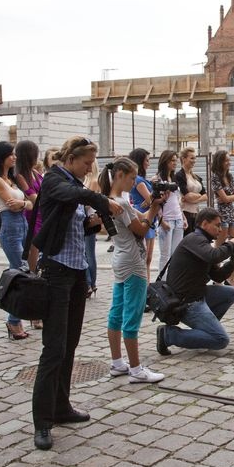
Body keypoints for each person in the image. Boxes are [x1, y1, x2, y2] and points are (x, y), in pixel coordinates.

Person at [30, 136, 122, 450]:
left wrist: (92, 221)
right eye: (86, 163)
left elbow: (73, 225)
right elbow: (72, 194)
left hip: (76, 271)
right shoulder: (54, 179)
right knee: (53, 348)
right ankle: (42, 422)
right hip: (56, 272)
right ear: (71, 159)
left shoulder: (74, 185)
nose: (88, 169)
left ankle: (61, 406)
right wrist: (99, 200)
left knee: (69, 344)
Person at [99, 157, 166, 383]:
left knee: (116, 311)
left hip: (120, 258)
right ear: (119, 175)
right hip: (133, 262)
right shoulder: (122, 202)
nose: (134, 182)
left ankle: (118, 362)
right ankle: (136, 369)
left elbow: (140, 216)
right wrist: (154, 209)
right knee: (132, 315)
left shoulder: (113, 200)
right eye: (131, 178)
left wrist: (152, 207)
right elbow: (140, 229)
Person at [156, 208, 234, 355]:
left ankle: (203, 332)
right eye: (217, 225)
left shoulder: (203, 244)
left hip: (197, 295)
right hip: (186, 303)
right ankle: (168, 335)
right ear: (204, 224)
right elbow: (214, 256)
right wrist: (231, 245)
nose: (220, 230)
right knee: (221, 340)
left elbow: (217, 277)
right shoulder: (194, 239)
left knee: (230, 292)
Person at [0, 141, 32, 340]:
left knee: (24, 272)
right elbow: (12, 205)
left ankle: (16, 319)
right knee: (21, 273)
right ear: (1, 156)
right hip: (10, 226)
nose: (14, 158)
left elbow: (28, 203)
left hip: (22, 224)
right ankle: (13, 320)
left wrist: (23, 203)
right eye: (11, 154)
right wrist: (25, 204)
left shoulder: (12, 179)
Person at [210, 150, 234, 288]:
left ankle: (230, 279)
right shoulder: (215, 177)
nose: (229, 162)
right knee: (219, 248)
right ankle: (217, 279)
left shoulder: (229, 176)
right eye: (226, 160)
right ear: (220, 161)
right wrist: (231, 197)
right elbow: (226, 198)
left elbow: (233, 196)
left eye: (229, 160)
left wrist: (230, 197)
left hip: (231, 214)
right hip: (221, 215)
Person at [14, 140, 44, 275]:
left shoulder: (34, 172)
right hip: (31, 214)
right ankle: (32, 275)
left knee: (37, 248)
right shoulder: (20, 175)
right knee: (33, 248)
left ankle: (35, 272)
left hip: (40, 212)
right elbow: (31, 195)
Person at [155, 150, 186, 277]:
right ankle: (162, 282)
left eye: (175, 161)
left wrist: (183, 217)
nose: (175, 163)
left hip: (178, 219)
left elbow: (177, 201)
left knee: (176, 254)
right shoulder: (157, 179)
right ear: (165, 161)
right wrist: (161, 221)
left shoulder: (174, 179)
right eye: (172, 160)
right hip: (166, 219)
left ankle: (172, 281)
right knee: (165, 255)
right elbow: (155, 202)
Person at [128, 148, 157, 280]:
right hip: (144, 216)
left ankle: (147, 283)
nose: (148, 163)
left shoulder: (141, 179)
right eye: (146, 160)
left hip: (148, 214)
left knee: (148, 258)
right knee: (146, 257)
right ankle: (146, 283)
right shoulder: (139, 180)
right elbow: (150, 199)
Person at [175, 147, 207, 236]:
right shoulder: (179, 176)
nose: (194, 161)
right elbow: (187, 196)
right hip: (185, 213)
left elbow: (205, 196)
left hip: (196, 214)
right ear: (184, 159)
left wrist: (193, 198)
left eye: (195, 158)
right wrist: (197, 196)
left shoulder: (196, 177)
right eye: (192, 158)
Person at [82, 161, 101, 298]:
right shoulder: (88, 180)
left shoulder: (94, 181)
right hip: (87, 218)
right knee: (86, 252)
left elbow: (90, 201)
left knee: (88, 253)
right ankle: (90, 283)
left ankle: (90, 282)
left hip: (90, 218)